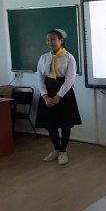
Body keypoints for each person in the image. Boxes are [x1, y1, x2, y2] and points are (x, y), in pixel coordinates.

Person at [35, 29, 82, 165]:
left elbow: (70, 80)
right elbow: (40, 78)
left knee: (65, 124)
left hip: (64, 93)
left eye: (53, 39)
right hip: (48, 91)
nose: (50, 42)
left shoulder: (69, 57)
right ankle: (56, 149)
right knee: (51, 124)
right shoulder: (43, 57)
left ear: (61, 41)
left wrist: (58, 96)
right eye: (48, 40)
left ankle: (63, 151)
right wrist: (45, 96)